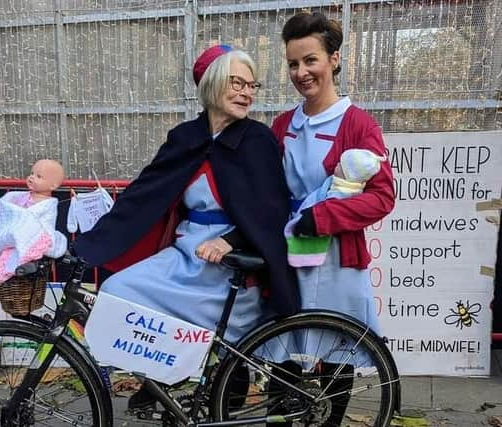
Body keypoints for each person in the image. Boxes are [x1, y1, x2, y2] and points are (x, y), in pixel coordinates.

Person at [71, 45, 299, 409]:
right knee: (117, 289)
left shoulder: (257, 140)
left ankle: (220, 374)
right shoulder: (185, 137)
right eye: (235, 82)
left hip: (230, 264)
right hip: (184, 255)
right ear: (211, 85)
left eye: (251, 85)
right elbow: (142, 195)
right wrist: (86, 246)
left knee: (227, 340)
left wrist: (231, 240)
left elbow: (272, 210)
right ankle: (166, 372)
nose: (246, 92)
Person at [269, 11, 395, 426]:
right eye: (292, 63)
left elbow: (382, 198)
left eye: (311, 60)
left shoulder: (358, 123)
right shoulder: (283, 124)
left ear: (334, 59)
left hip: (338, 259)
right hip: (288, 254)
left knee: (334, 354)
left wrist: (322, 216)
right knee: (282, 349)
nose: (301, 72)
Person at [285, 148, 387, 267]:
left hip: (312, 226)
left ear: (347, 174)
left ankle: (302, 255)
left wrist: (315, 218)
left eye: (341, 165)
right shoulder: (341, 184)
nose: (337, 164)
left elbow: (330, 205)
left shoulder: (343, 192)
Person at [0, 159, 67, 283]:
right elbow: (13, 214)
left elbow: (45, 225)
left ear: (53, 186)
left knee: (34, 241)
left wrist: (27, 224)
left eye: (38, 176)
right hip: (17, 233)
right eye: (32, 173)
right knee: (12, 241)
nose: (31, 177)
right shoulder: (22, 197)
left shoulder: (48, 204)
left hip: (33, 234)